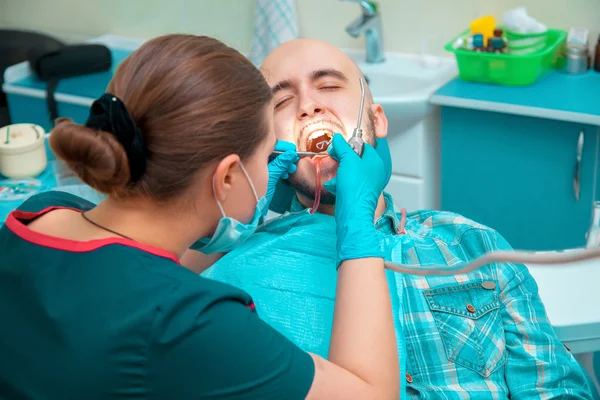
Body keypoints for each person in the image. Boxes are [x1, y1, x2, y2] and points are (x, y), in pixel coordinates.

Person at [0, 34, 401, 399]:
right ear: (227, 176)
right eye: (266, 157)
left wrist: (233, 224)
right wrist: (356, 230)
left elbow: (145, 266)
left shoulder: (40, 211)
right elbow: (372, 394)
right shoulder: (193, 322)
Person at [193, 38, 595, 399]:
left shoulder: (472, 244)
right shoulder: (235, 271)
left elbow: (557, 389)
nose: (308, 106)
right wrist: (233, 218)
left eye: (329, 85)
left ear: (378, 119)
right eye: (281, 102)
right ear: (265, 144)